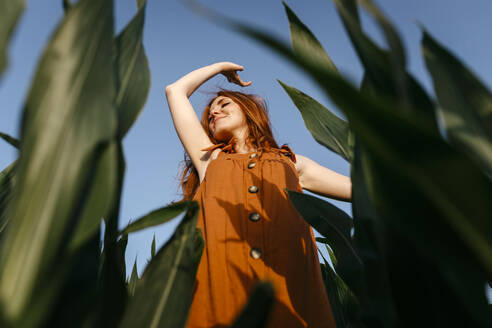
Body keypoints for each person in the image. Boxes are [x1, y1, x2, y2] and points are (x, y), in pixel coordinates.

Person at [165, 62, 351, 328]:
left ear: (249, 110)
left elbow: (364, 192)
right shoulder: (209, 159)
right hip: (219, 292)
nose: (214, 113)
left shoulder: (292, 163)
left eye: (224, 104)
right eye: (210, 114)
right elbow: (175, 91)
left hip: (290, 293)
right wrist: (219, 68)